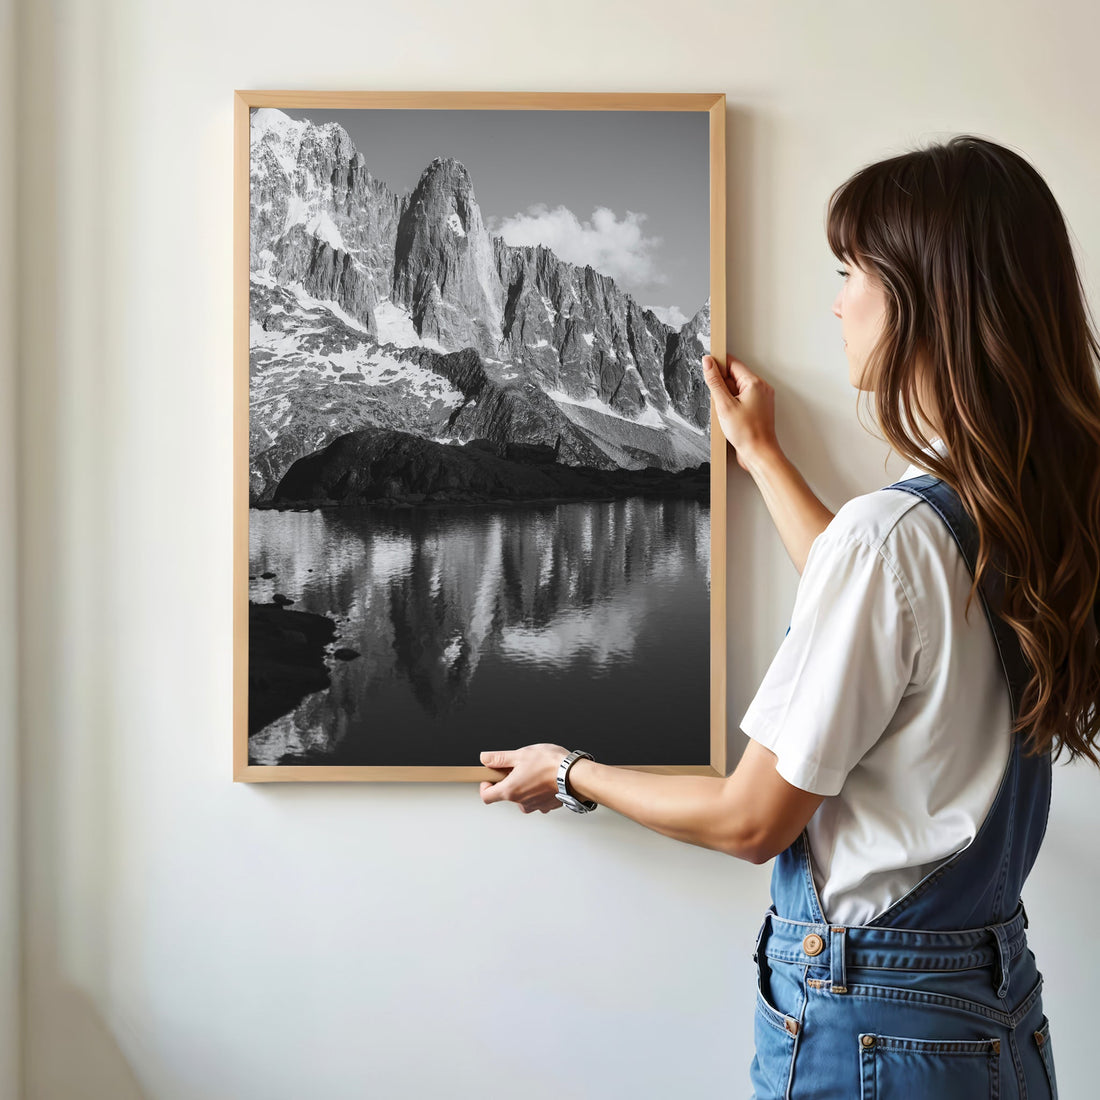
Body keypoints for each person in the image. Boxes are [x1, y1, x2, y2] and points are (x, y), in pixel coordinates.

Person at [477, 134, 1100, 1098]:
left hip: (872, 1027)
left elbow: (750, 819)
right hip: (989, 1012)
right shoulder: (1016, 509)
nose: (838, 300)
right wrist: (763, 456)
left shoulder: (894, 536)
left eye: (852, 271)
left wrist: (569, 771)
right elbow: (887, 620)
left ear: (925, 299)